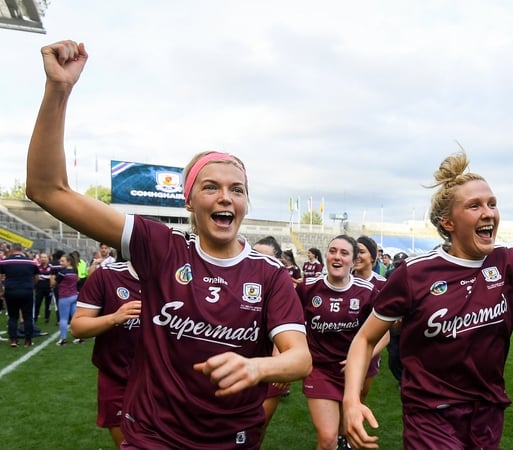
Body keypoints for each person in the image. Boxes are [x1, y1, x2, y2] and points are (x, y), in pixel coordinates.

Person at [26, 40, 311, 448]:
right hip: (153, 437)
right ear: (189, 200)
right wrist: (58, 90)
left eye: (238, 189)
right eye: (210, 187)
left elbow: (299, 358)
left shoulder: (269, 274)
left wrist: (259, 368)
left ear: (246, 203)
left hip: (234, 438)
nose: (226, 197)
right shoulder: (161, 246)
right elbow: (47, 189)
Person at [343, 145, 513, 450]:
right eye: (475, 206)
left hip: (488, 415)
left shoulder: (508, 264)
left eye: (492, 203)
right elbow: (365, 339)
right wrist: (350, 401)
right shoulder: (414, 274)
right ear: (448, 223)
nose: (489, 212)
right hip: (430, 417)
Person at [298, 235, 386, 450]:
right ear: (326, 256)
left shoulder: (366, 292)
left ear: (354, 260)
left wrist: (361, 358)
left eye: (344, 253)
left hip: (352, 372)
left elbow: (384, 334)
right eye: (332, 251)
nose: (337, 257)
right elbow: (291, 326)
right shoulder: (307, 288)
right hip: (319, 369)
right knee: (327, 438)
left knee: (343, 435)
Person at [70, 257, 142, 448]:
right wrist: (114, 318)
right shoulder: (107, 274)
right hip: (117, 377)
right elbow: (77, 327)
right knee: (127, 445)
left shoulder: (175, 276)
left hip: (162, 381)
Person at [251, 235, 292, 443]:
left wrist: (280, 359)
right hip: (242, 364)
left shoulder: (283, 289)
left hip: (271, 366)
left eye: (266, 258)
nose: (259, 263)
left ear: (278, 260)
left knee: (258, 426)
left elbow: (288, 330)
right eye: (254, 255)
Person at [352, 235, 387, 401]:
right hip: (339, 347)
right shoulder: (342, 280)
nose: (357, 255)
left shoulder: (382, 285)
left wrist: (367, 354)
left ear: (373, 257)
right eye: (354, 251)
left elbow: (386, 329)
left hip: (369, 350)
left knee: (360, 395)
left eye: (362, 252)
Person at [0, 243, 39, 347]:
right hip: (26, 290)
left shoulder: (6, 262)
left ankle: (13, 340)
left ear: (12, 249)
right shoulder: (31, 262)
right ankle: (28, 340)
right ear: (21, 250)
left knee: (13, 316)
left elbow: (0, 275)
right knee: (27, 316)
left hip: (11, 290)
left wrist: (2, 289)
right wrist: (32, 286)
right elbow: (37, 277)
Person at [383, 251, 408, 384]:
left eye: (401, 265)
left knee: (407, 354)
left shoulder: (414, 276)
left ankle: (405, 381)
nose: (399, 268)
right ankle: (401, 378)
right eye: (397, 265)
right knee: (393, 356)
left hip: (408, 320)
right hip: (393, 318)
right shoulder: (389, 274)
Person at [52, 252, 79, 346]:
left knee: (63, 319)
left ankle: (63, 339)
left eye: (63, 261)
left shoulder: (62, 273)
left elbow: (55, 283)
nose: (61, 263)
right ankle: (79, 337)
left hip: (65, 297)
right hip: (74, 296)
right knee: (75, 318)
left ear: (69, 262)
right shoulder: (75, 271)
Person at [34, 252, 56, 325]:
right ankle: (35, 317)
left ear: (48, 258)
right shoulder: (36, 266)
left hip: (48, 288)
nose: (43, 259)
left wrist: (43, 277)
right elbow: (35, 277)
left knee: (48, 304)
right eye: (42, 257)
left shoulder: (51, 267)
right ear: (39, 259)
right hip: (39, 288)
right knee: (37, 303)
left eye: (45, 257)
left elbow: (52, 277)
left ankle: (47, 318)